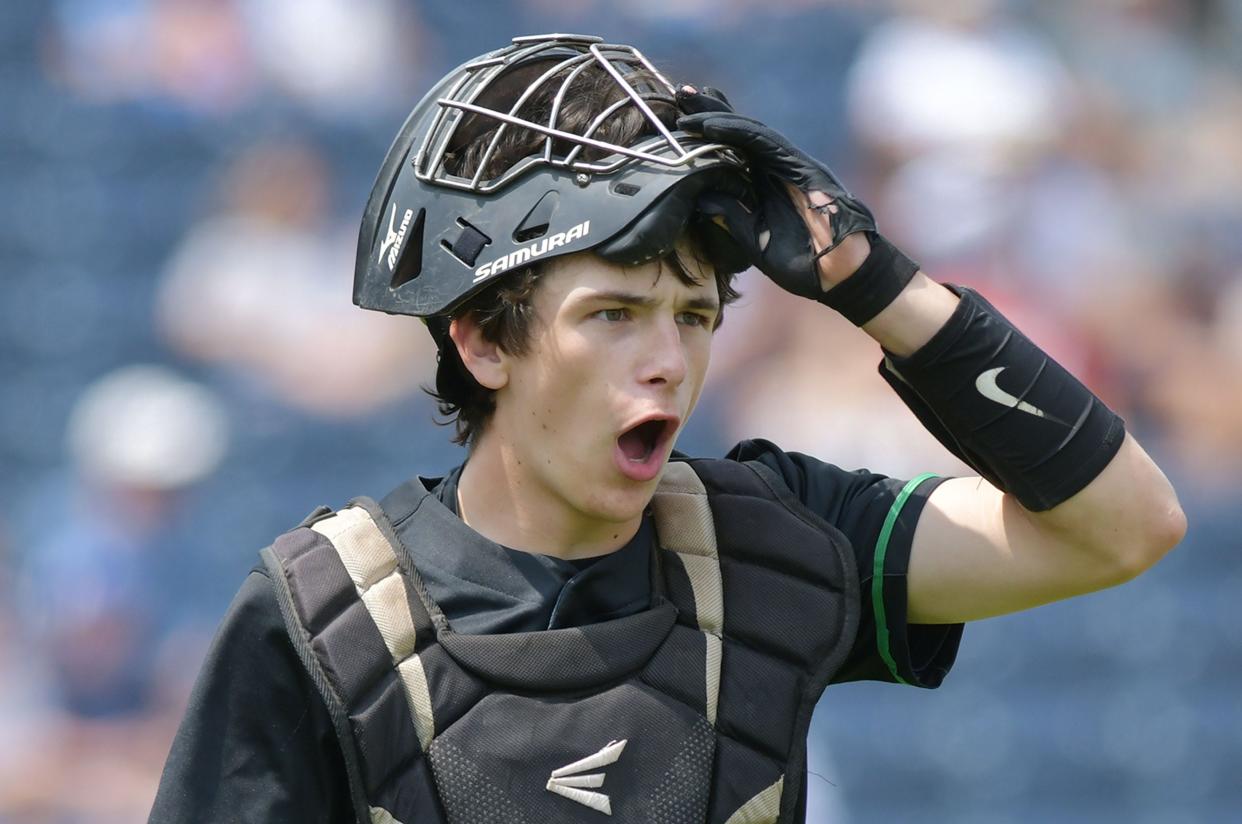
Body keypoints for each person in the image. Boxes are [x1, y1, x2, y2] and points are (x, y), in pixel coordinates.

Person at [150, 34, 1185, 824]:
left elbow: (1124, 524)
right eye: (612, 314)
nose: (668, 358)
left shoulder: (767, 541)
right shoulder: (323, 617)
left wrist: (872, 282)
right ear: (482, 343)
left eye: (693, 315)